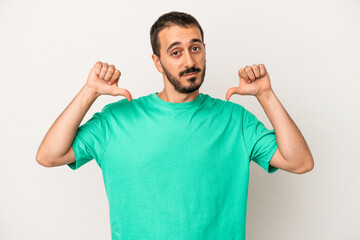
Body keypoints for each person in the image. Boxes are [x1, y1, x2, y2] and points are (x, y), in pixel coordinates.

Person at [36, 11, 314, 240]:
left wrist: (266, 95)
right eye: (175, 52)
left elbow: (300, 162)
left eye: (195, 48)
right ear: (157, 62)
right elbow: (49, 155)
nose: (190, 61)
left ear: (205, 51)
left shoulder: (234, 119)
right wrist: (89, 92)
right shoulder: (117, 119)